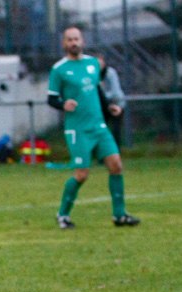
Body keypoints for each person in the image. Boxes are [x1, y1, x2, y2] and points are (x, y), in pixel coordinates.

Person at [48, 27, 139, 229]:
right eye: (69, 40)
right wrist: (63, 104)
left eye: (77, 39)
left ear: (82, 41)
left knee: (116, 164)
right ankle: (62, 215)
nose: (74, 43)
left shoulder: (92, 64)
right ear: (63, 44)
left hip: (98, 126)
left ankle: (120, 215)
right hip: (77, 129)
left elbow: (97, 92)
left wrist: (110, 108)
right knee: (82, 174)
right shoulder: (59, 69)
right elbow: (51, 98)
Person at [96, 54, 126, 147]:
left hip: (116, 103)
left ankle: (116, 152)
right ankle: (104, 153)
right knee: (101, 129)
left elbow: (115, 91)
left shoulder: (110, 73)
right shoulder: (94, 75)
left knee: (116, 129)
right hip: (105, 105)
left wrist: (102, 98)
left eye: (100, 64)